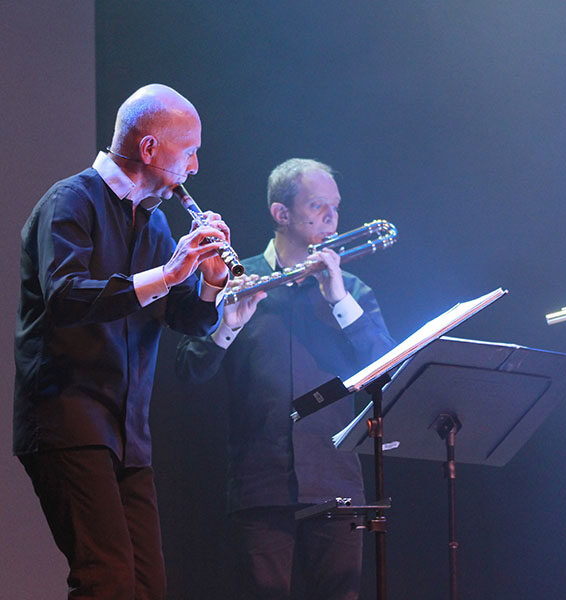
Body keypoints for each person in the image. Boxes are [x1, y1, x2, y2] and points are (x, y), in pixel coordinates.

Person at [13, 84, 233, 599]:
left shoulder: (154, 223)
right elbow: (65, 297)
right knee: (105, 579)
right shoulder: (71, 200)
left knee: (147, 586)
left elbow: (186, 318)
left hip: (128, 433)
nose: (195, 168)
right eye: (190, 151)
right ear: (150, 150)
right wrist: (169, 271)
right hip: (67, 419)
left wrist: (211, 279)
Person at [175, 158, 395, 600]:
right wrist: (228, 325)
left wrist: (339, 301)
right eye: (318, 206)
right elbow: (188, 373)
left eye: (335, 207)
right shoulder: (235, 279)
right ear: (282, 214)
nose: (332, 218)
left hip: (335, 484)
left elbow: (387, 370)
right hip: (260, 486)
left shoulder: (351, 289)